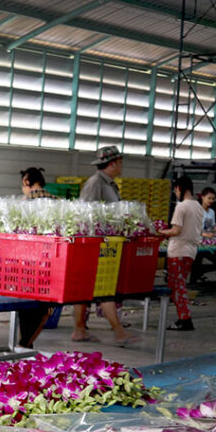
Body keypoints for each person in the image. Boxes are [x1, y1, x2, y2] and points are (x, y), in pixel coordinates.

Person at [72, 145, 139, 346]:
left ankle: (79, 330)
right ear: (112, 163)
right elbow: (85, 214)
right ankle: (119, 332)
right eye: (119, 162)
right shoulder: (95, 183)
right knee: (104, 287)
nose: (121, 165)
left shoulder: (109, 183)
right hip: (96, 245)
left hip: (106, 242)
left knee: (87, 290)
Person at [15, 167, 56, 348]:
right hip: (51, 263)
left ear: (26, 182)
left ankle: (25, 341)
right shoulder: (57, 201)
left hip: (27, 263)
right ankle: (27, 341)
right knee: (43, 306)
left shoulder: (23, 203)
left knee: (25, 304)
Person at [161, 175, 204, 331]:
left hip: (178, 251)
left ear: (179, 188)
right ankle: (183, 317)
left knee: (178, 287)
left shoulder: (181, 207)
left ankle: (185, 319)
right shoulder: (198, 207)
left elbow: (176, 230)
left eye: (176, 190)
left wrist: (160, 232)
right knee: (178, 285)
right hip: (191, 251)